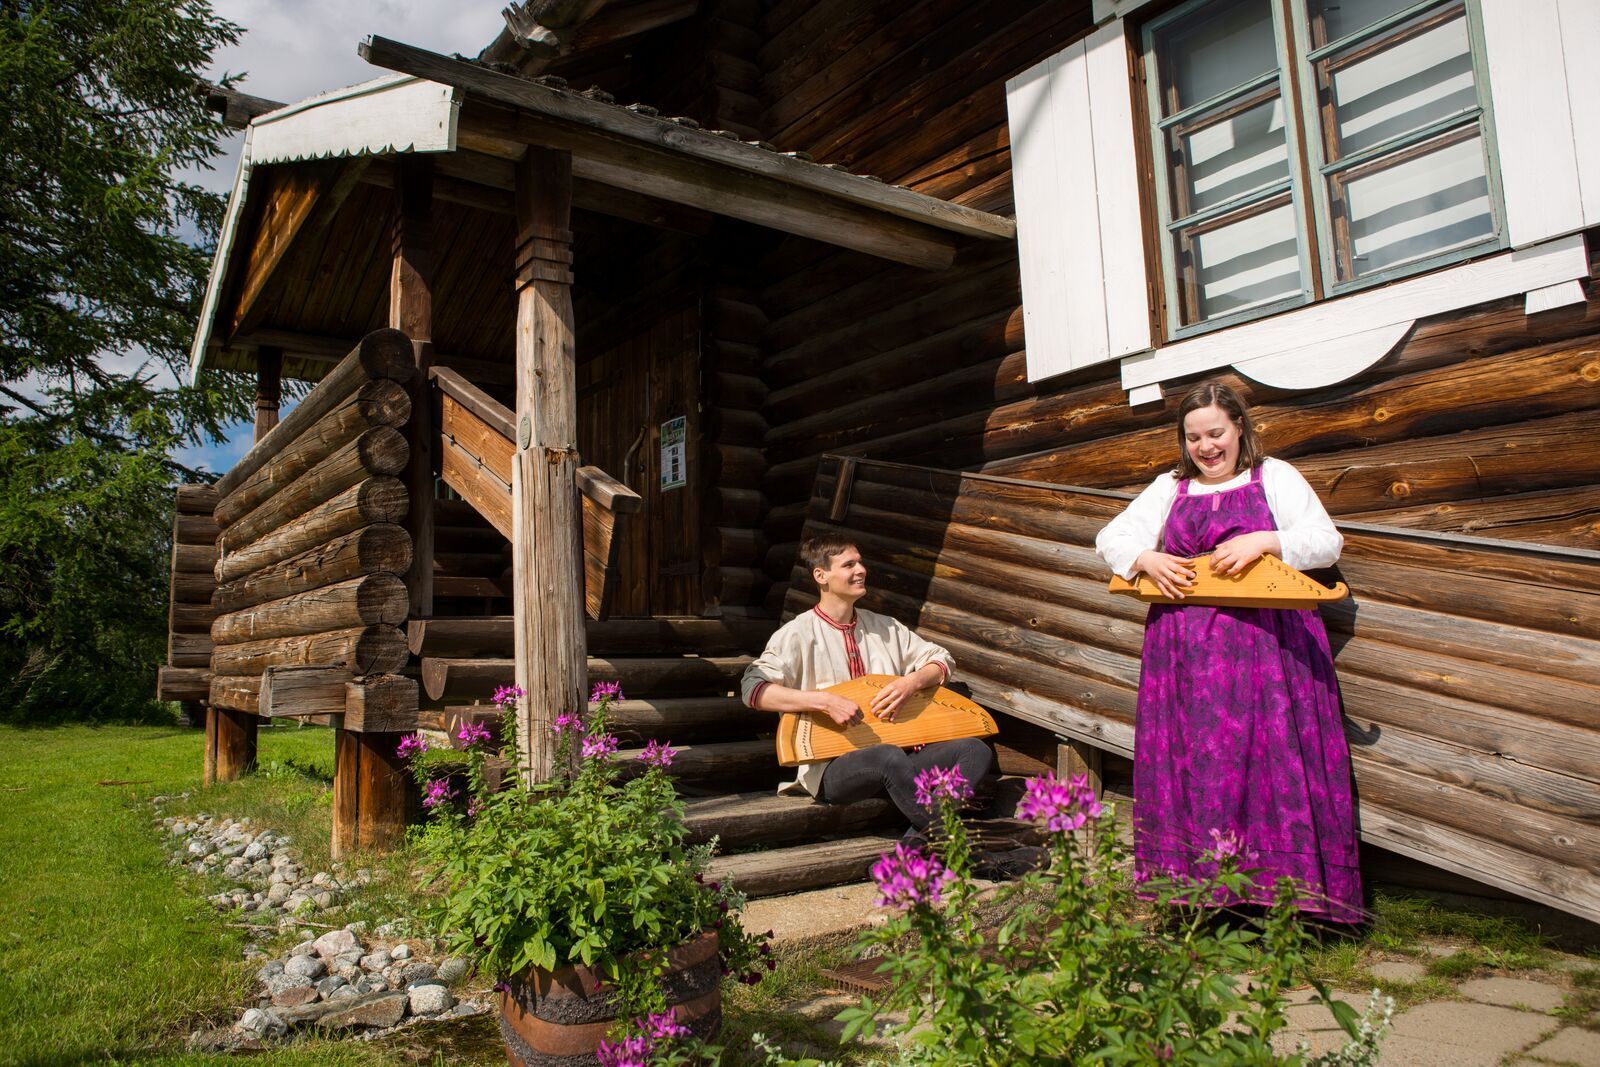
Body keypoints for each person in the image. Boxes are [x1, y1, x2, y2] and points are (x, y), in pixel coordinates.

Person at [1094, 380, 1362, 923]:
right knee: (1199, 764)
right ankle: (1205, 899)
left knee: (1273, 759)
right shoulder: (1171, 487)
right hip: (1184, 653)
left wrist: (1266, 541)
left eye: (1216, 433)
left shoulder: (1275, 476)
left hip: (1269, 647)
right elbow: (1110, 538)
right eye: (1194, 437)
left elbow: (1326, 540)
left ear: (1240, 428)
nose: (1206, 447)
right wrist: (1146, 558)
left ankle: (1293, 900)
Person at [740, 537, 995, 839]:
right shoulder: (796, 634)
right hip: (833, 769)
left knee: (973, 749)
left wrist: (910, 683)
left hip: (901, 758)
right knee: (885, 756)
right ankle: (959, 845)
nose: (861, 570)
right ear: (821, 576)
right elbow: (753, 689)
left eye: (860, 562)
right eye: (849, 565)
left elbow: (941, 660)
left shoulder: (885, 627)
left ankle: (916, 844)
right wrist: (823, 701)